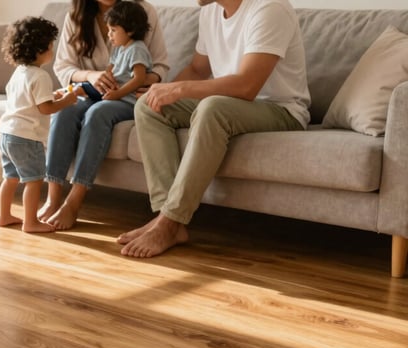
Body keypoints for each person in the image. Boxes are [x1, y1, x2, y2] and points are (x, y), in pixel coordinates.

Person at [118, 0, 311, 257]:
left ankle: (171, 221)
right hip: (230, 105)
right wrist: (161, 93)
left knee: (211, 108)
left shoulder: (270, 8)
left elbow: (247, 86)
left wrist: (181, 90)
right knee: (147, 107)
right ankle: (166, 218)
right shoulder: (210, 11)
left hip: (281, 110)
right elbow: (198, 69)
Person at [40, 0, 169, 231]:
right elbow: (63, 67)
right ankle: (53, 197)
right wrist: (90, 75)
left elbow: (160, 65)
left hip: (125, 98)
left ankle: (74, 201)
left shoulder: (144, 11)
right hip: (91, 91)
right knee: (65, 109)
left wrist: (146, 81)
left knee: (98, 113)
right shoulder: (76, 15)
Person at [0, 16, 84, 233]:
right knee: (34, 181)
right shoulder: (41, 76)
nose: (52, 51)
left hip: (7, 133)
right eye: (50, 47)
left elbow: (29, 99)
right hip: (26, 137)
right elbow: (45, 109)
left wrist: (55, 95)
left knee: (10, 178)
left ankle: (4, 215)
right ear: (38, 50)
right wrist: (67, 100)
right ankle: (31, 222)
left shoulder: (19, 72)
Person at [102, 1, 153, 104]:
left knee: (96, 112)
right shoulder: (119, 47)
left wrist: (118, 94)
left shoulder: (137, 49)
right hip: (116, 95)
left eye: (113, 30)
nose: (109, 34)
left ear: (130, 30)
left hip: (128, 100)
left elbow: (139, 79)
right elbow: (110, 68)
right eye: (108, 30)